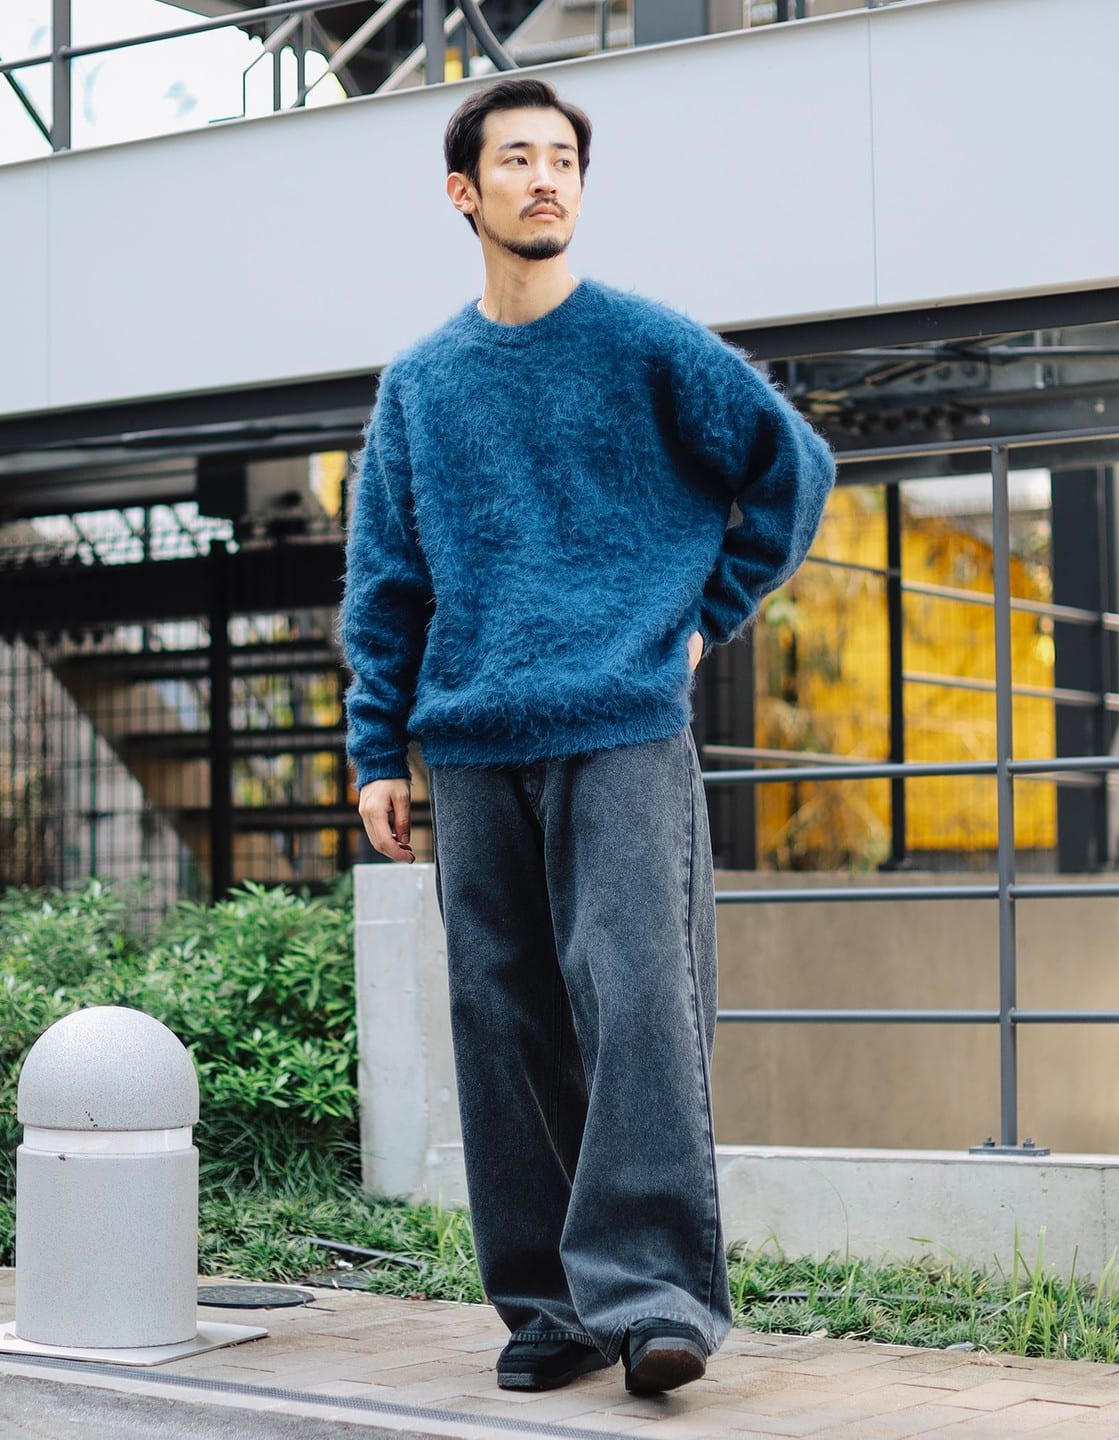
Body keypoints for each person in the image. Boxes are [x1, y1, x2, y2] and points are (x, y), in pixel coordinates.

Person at [339, 76, 835, 1396]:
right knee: (502, 1024)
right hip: (472, 746)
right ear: (466, 192)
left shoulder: (646, 345)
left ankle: (654, 1299)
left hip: (620, 727)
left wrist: (704, 616)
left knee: (636, 1001)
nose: (546, 177)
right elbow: (388, 580)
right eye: (517, 159)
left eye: (563, 158)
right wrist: (378, 749)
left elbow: (792, 471)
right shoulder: (423, 387)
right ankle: (549, 1310)